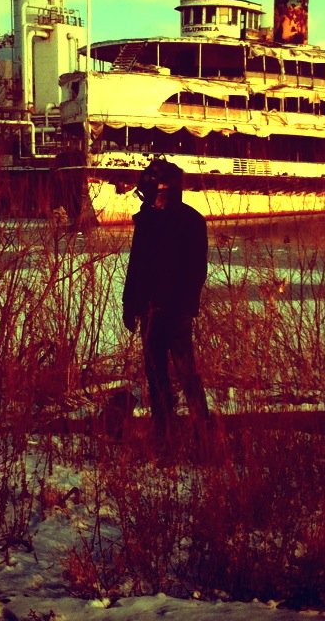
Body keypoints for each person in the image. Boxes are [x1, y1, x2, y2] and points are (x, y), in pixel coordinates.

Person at [122, 158, 210, 448]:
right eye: (150, 194)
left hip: (176, 313)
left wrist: (183, 308)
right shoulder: (146, 221)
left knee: (187, 373)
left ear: (170, 191)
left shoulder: (191, 222)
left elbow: (196, 271)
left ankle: (203, 430)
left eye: (157, 194)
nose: (153, 200)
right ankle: (163, 428)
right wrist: (129, 304)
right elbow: (136, 266)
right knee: (155, 374)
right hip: (149, 311)